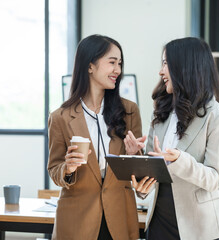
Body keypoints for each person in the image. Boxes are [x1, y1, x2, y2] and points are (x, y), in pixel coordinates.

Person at [125, 37, 219, 240]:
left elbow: (214, 180)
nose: (161, 71)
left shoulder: (218, 117)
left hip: (202, 230)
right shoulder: (161, 112)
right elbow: (152, 170)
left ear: (185, 67)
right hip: (159, 224)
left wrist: (179, 160)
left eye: (166, 63)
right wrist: (138, 168)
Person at [47, 34, 143, 240]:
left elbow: (141, 172)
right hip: (76, 220)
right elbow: (54, 170)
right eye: (112, 62)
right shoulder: (60, 117)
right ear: (90, 66)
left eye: (120, 63)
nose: (118, 70)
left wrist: (136, 156)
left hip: (119, 216)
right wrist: (68, 168)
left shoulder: (129, 111)